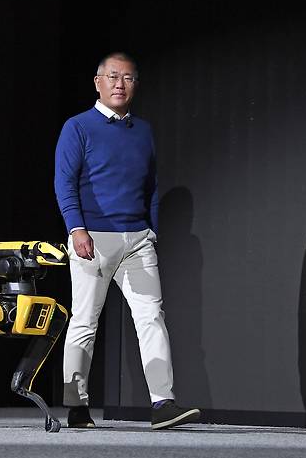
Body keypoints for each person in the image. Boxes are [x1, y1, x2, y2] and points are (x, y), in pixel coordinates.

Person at [54, 52, 200, 430]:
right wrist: (76, 228)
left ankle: (163, 403)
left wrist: (151, 229)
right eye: (113, 76)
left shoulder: (143, 131)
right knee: (85, 321)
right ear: (98, 82)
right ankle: (76, 405)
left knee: (151, 316)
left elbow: (151, 185)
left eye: (128, 78)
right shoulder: (78, 127)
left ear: (135, 85)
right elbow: (64, 182)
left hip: (137, 241)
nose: (120, 84)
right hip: (92, 239)